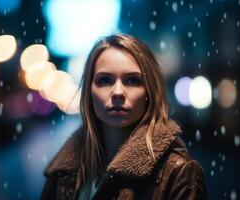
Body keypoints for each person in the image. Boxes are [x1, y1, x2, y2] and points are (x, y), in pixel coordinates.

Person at [41, 33, 207, 200]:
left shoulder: (178, 173)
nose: (118, 92)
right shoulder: (63, 173)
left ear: (149, 92)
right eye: (105, 80)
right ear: (89, 93)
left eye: (132, 80)